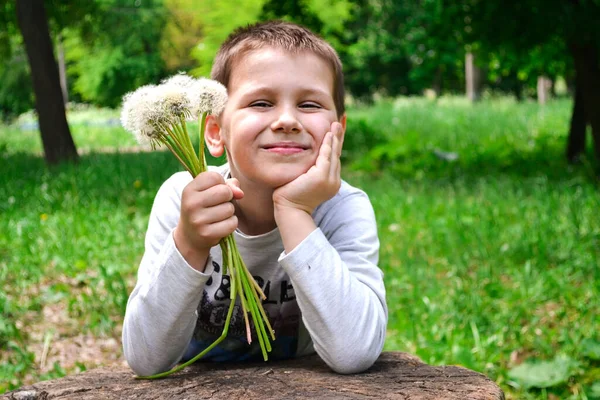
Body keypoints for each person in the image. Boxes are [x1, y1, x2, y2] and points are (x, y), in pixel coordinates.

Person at [122, 20, 387, 376]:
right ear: (215, 132)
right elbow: (145, 359)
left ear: (338, 130)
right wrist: (188, 240)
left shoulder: (343, 207)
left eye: (309, 104)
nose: (287, 120)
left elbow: (355, 351)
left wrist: (294, 211)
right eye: (261, 103)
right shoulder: (183, 198)